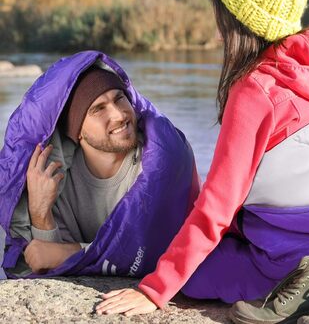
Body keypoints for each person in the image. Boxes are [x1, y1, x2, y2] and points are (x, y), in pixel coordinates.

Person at [95, 0, 309, 318]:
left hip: (289, 254)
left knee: (189, 274)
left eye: (225, 24)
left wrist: (155, 290)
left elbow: (217, 205)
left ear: (246, 27)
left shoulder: (255, 91)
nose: (219, 37)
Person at [0, 52, 199, 280]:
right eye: (98, 109)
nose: (118, 114)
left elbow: (156, 250)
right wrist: (39, 212)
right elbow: (46, 264)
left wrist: (71, 252)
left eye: (119, 98)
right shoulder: (56, 180)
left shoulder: (161, 163)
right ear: (78, 132)